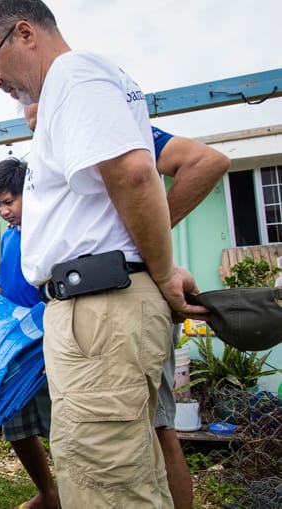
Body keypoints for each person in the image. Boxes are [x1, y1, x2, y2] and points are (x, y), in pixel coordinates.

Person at [0, 2, 208, 507]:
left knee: (109, 485)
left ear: (24, 33)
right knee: (105, 473)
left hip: (99, 307)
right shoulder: (70, 89)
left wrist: (160, 267)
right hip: (93, 309)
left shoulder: (74, 76)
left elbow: (136, 175)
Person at [19, 105, 230, 509]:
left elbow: (205, 162)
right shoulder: (67, 142)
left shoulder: (97, 123)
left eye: (32, 95)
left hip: (110, 305)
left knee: (122, 462)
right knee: (133, 449)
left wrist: (147, 240)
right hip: (105, 307)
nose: (26, 108)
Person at [152, 125, 231, 509]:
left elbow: (208, 161)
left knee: (160, 429)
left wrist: (145, 241)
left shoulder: (112, 125)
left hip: (140, 307)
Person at [0, 157, 58, 509]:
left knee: (61, 427)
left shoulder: (47, 231)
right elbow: (6, 282)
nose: (3, 211)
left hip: (46, 344)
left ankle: (75, 492)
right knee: (17, 426)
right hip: (14, 345)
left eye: (9, 201)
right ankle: (48, 493)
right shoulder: (9, 236)